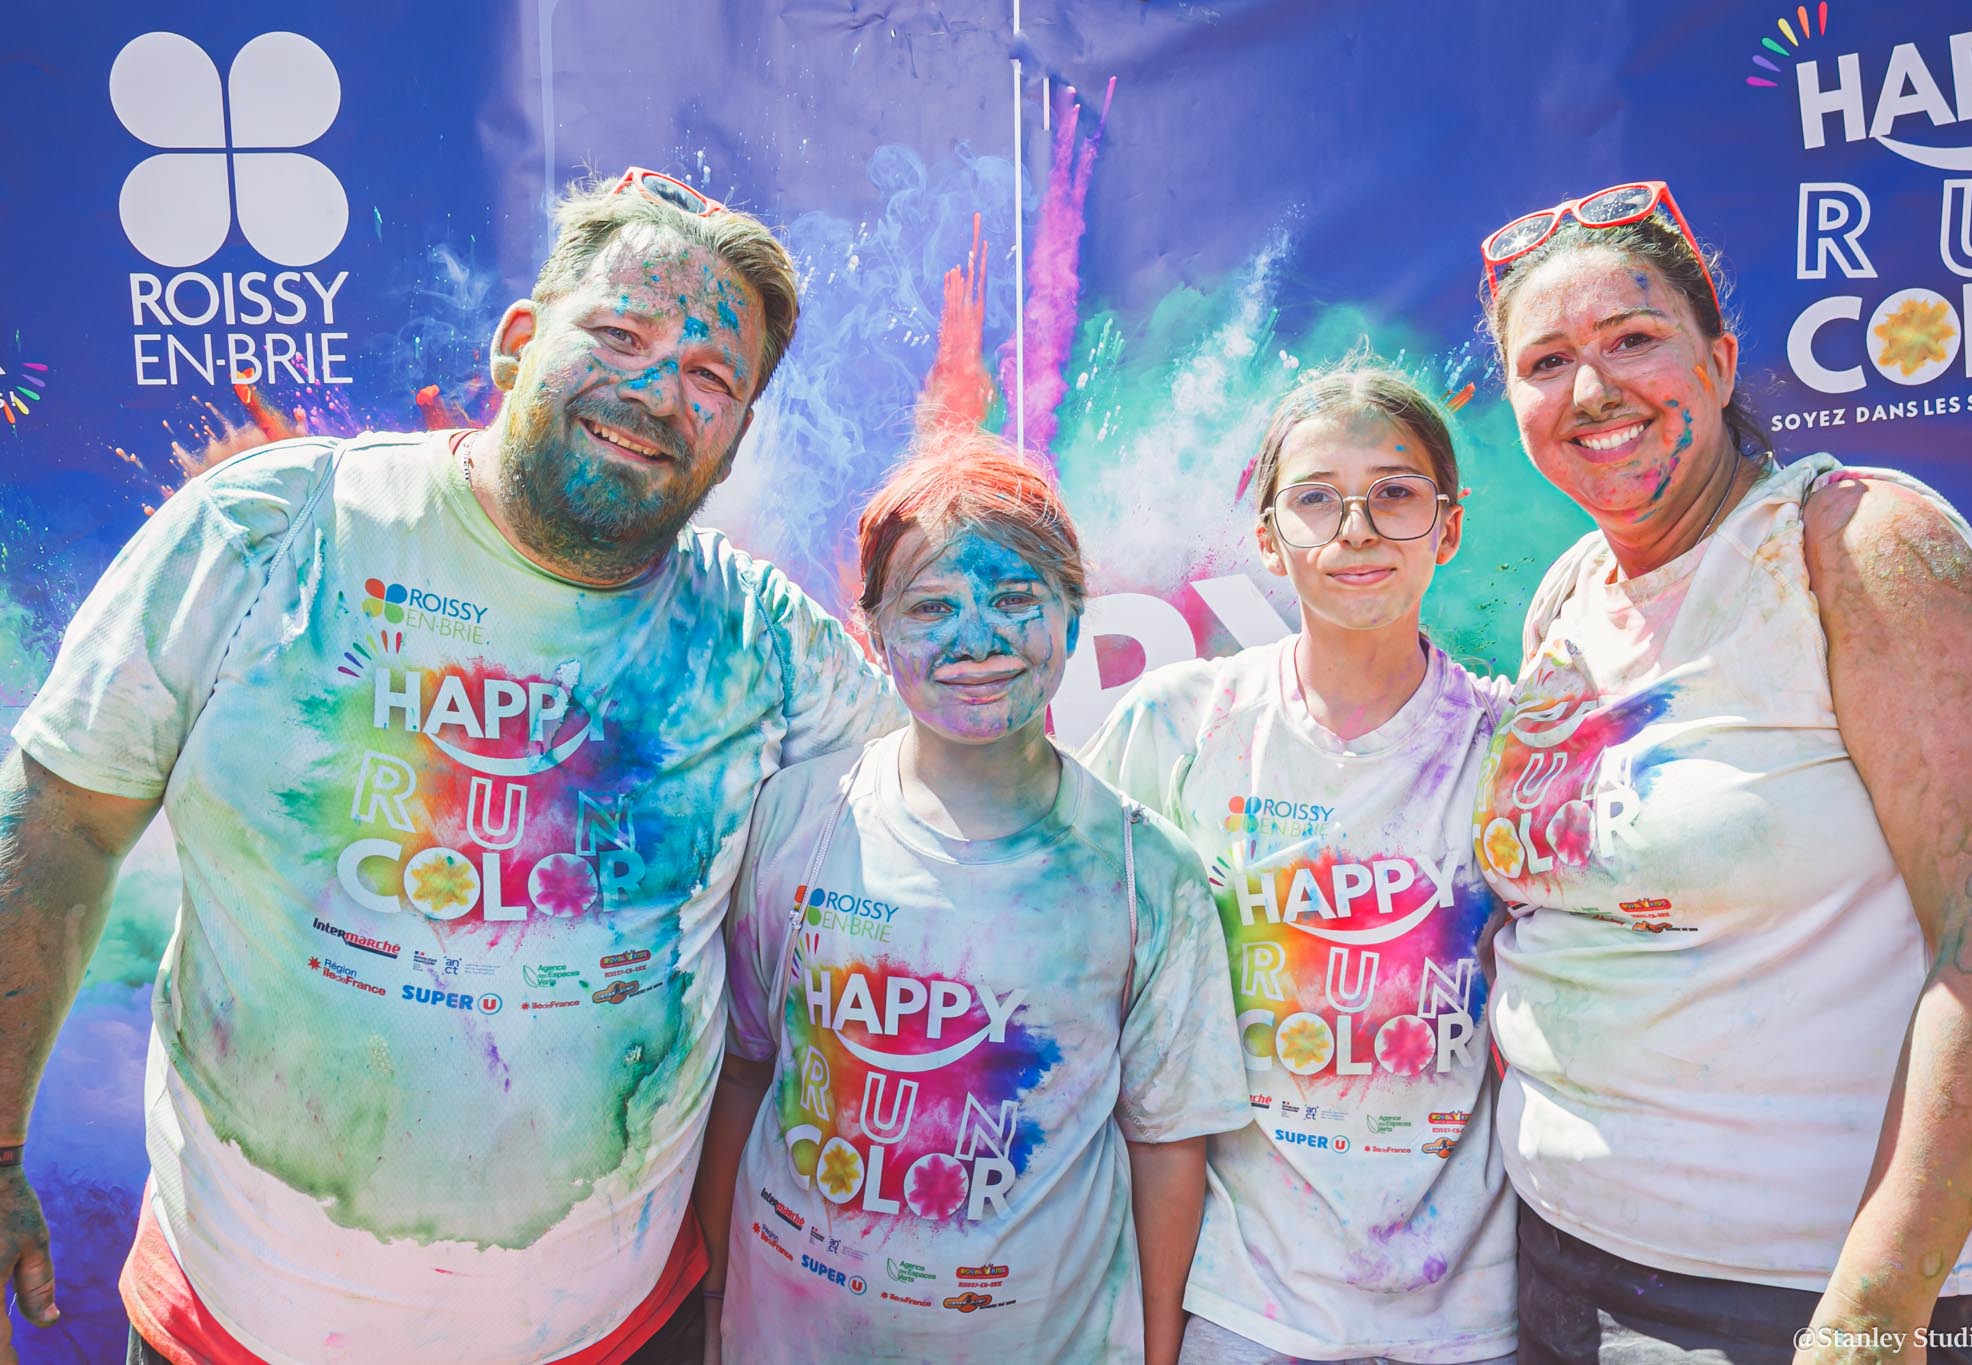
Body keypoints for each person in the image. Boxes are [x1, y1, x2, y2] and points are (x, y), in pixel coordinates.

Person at [1, 167, 900, 1364]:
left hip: (619, 1333)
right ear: (518, 341)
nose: (653, 392)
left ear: (731, 439)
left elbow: (949, 842)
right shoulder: (271, 533)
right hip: (229, 1329)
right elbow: (60, 828)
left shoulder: (771, 650)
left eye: (708, 376)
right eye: (621, 335)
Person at [1471, 180, 1972, 1362]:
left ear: (1720, 363)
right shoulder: (1568, 594)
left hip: (1798, 1300)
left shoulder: (1854, 543)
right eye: (1545, 362)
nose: (1590, 390)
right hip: (1562, 1262)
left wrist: (1871, 1318)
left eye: (1632, 339)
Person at [695, 431, 1251, 1364]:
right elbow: (747, 1073)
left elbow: (1165, 1145)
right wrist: (716, 1302)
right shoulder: (799, 817)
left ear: (1074, 618)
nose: (977, 637)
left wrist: (1158, 1353)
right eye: (932, 606)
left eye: (1016, 598)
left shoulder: (1145, 871)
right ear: (875, 633)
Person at [1081, 366, 1517, 1364]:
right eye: (1317, 498)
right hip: (1245, 1307)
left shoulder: (1505, 744)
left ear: (1448, 528)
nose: (1355, 529)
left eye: (1394, 493)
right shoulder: (1182, 724)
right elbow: (1070, 944)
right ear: (1268, 536)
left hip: (1467, 1313)